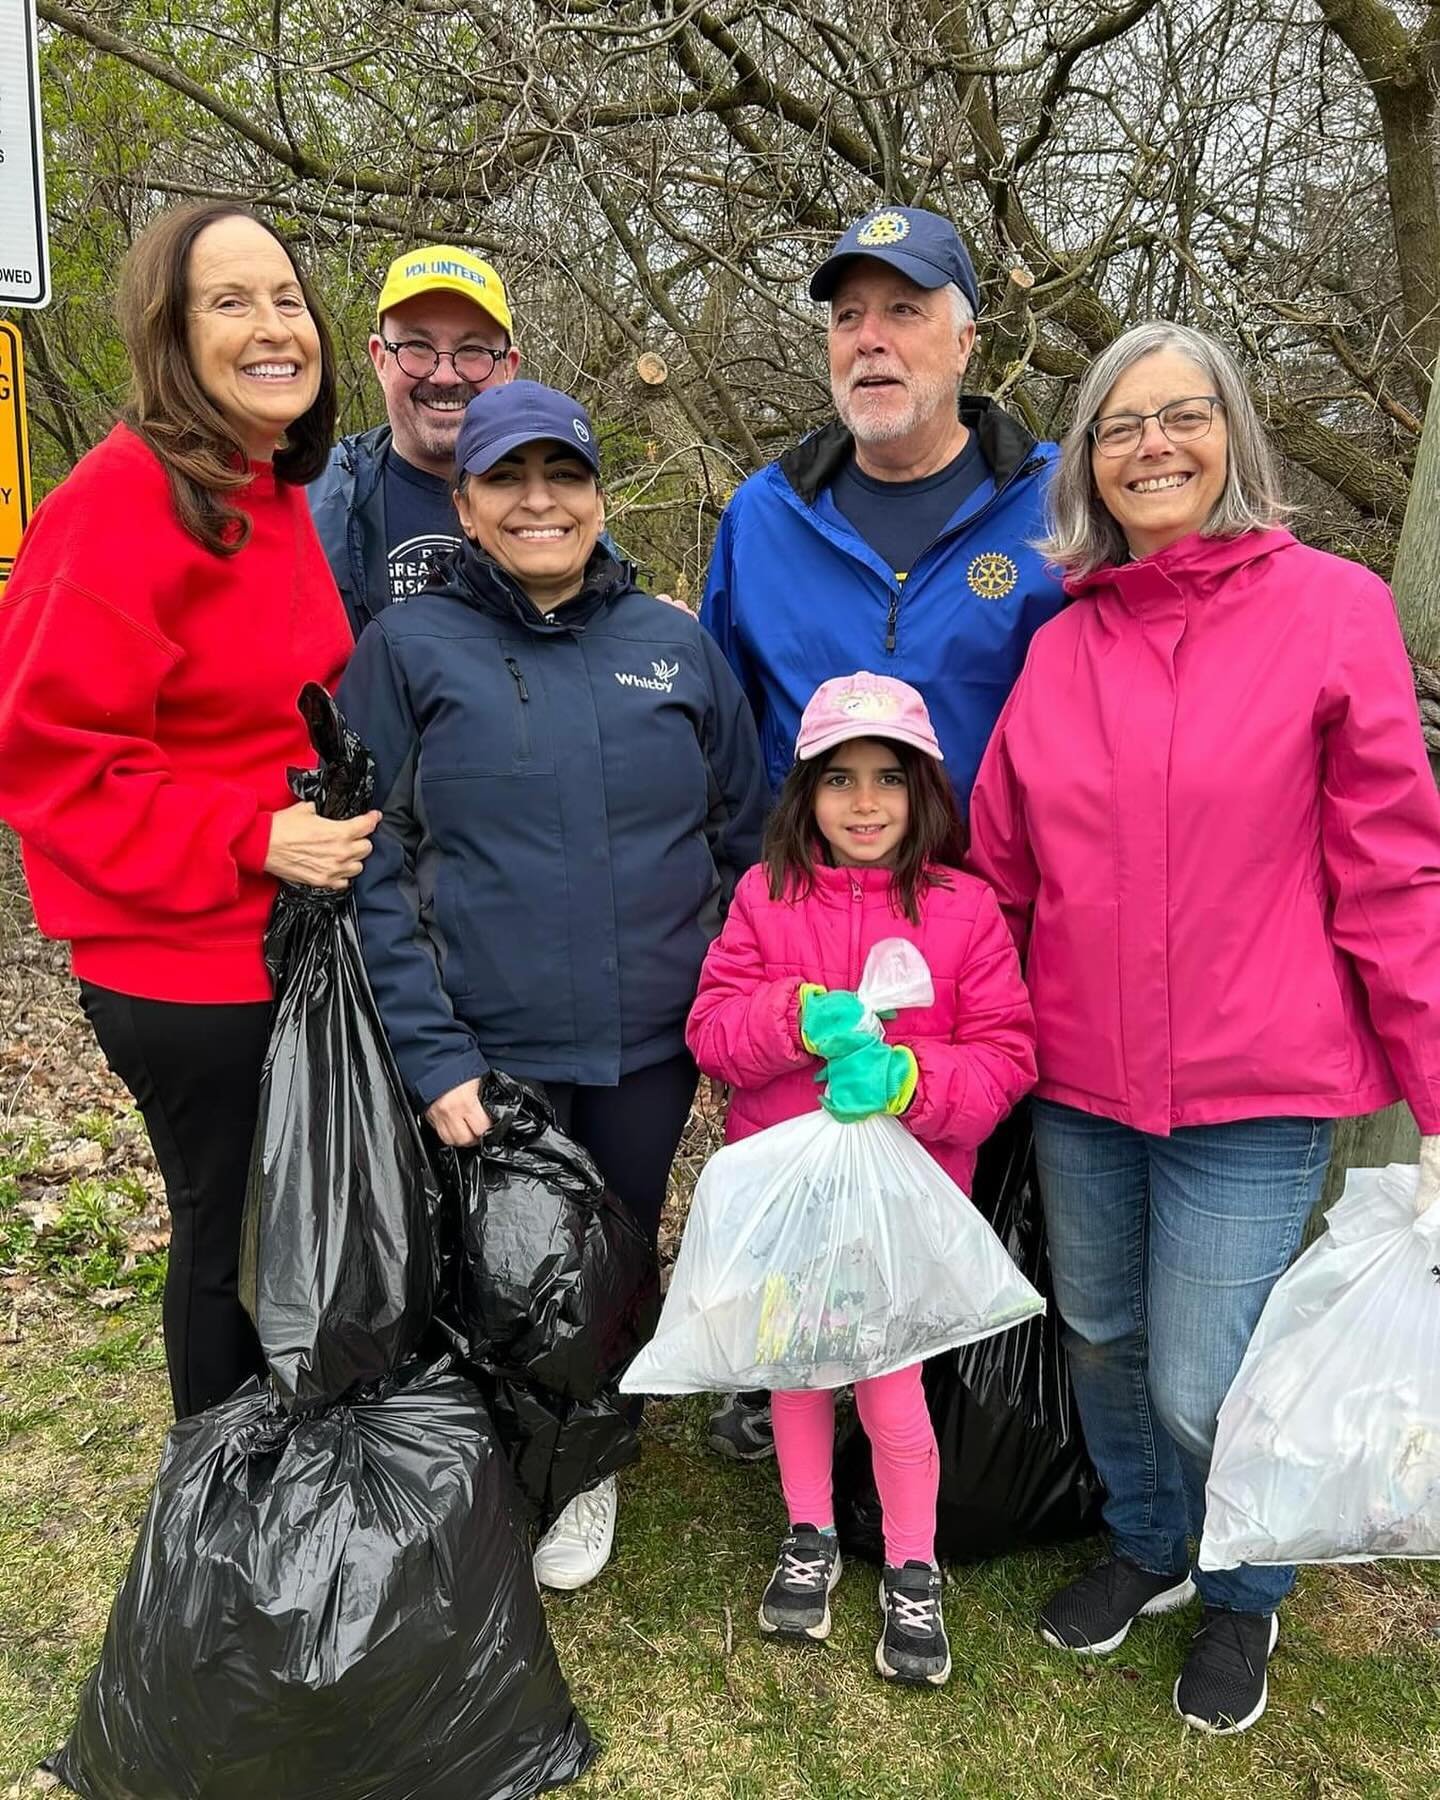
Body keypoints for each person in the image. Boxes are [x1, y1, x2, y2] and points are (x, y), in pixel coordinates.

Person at [967, 319, 1440, 1735]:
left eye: (1183, 415)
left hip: (1260, 1077)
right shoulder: (1064, 644)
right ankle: (1150, 1542)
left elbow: (1393, 864)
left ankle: (1243, 1592)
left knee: (1208, 1368)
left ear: (1234, 435)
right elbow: (1000, 868)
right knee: (1102, 1330)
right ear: (1089, 466)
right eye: (1120, 425)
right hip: (1084, 1073)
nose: (1152, 445)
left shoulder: (1334, 609)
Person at [337, 378, 767, 1591]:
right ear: (464, 506)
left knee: (616, 1256)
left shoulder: (673, 646)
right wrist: (431, 1051)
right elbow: (370, 855)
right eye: (506, 480)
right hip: (490, 1044)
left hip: (647, 1044)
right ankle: (490, 1456)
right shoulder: (408, 649)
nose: (539, 501)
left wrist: (727, 997)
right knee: (498, 1263)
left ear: (596, 495)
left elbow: (747, 837)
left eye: (562, 476)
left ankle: (588, 1467)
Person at [698, 204, 1067, 1464]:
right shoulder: (765, 516)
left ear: (967, 337)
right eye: (848, 316)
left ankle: (933, 1424)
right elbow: (722, 718)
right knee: (806, 1148)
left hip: (990, 936)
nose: (871, 340)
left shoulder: (1055, 507)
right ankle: (793, 1380)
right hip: (806, 920)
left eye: (904, 310)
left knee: (949, 1175)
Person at [0, 202, 378, 1419]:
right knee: (229, 1240)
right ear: (170, 334)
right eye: (230, 302)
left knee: (281, 1228)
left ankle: (287, 1470)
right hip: (180, 963)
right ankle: (220, 1506)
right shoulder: (120, 504)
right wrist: (253, 832)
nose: (274, 327)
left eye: (286, 298)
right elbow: (44, 754)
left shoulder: (258, 493)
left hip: (273, 941)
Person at [686, 672, 1037, 1687]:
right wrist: (789, 1019)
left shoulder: (965, 912)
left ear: (926, 790)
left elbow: (1006, 1055)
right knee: (797, 1369)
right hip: (792, 1206)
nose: (867, 804)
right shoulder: (767, 897)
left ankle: (914, 1563)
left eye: (890, 779)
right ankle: (809, 1533)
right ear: (805, 795)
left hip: (903, 1210)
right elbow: (712, 1031)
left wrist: (913, 1079)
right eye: (840, 781)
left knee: (890, 1390)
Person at [309, 244, 520, 634]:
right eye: (417, 346)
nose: (444, 376)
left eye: (472, 350)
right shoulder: (310, 506)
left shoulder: (558, 510)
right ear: (380, 359)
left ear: (508, 368)